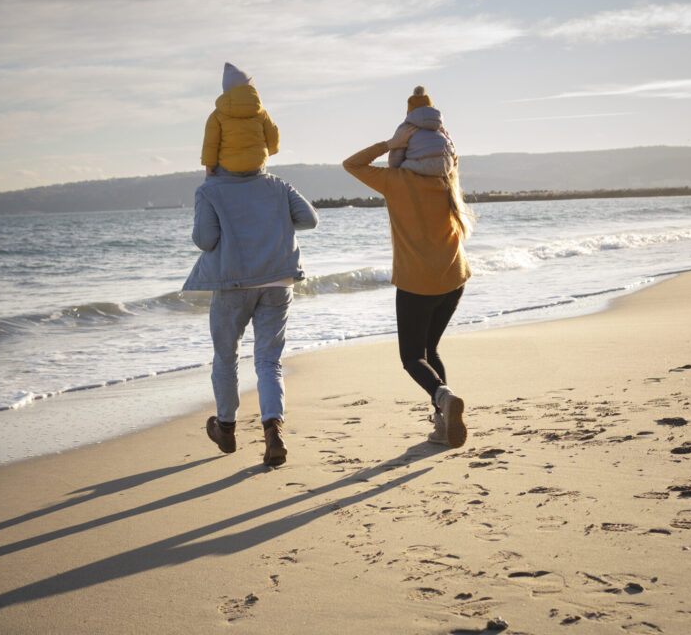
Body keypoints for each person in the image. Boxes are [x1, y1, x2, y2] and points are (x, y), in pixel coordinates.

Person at [183, 92, 318, 466]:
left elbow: (205, 240)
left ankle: (226, 429)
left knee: (226, 357)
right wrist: (272, 222)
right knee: (268, 361)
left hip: (233, 285)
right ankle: (273, 431)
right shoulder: (278, 186)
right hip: (278, 281)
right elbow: (309, 220)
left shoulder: (209, 190)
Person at [343, 116, 474, 447]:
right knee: (431, 349)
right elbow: (449, 157)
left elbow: (351, 164)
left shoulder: (395, 181)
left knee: (412, 357)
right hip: (453, 279)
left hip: (417, 284)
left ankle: (443, 398)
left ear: (409, 154)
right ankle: (443, 424)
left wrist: (390, 144)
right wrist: (443, 138)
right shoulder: (448, 177)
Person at [201, 63, 280, 175]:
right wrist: (270, 151)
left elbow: (210, 143)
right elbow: (273, 136)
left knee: (210, 186)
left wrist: (209, 165)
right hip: (256, 165)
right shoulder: (261, 113)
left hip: (228, 168)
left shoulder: (216, 116)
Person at [387, 85, 456, 177]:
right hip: (446, 166)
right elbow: (452, 151)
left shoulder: (406, 128)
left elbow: (395, 160)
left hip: (421, 167)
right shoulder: (439, 127)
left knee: (401, 169)